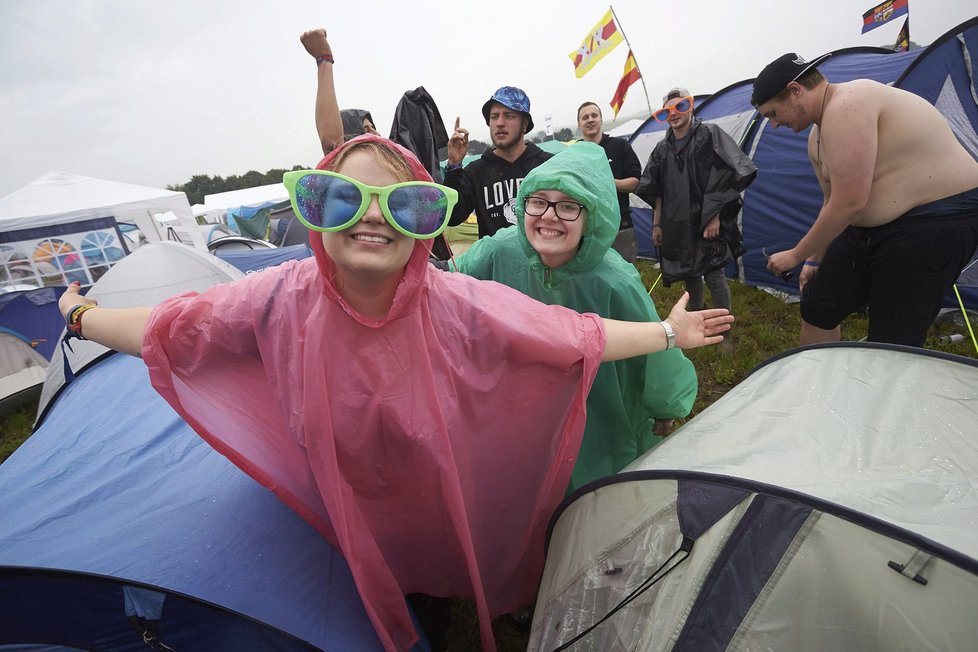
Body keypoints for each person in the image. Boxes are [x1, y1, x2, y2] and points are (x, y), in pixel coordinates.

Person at [58, 136, 732, 652]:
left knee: (434, 577)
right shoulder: (279, 296)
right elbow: (175, 326)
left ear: (420, 219)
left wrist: (665, 337)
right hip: (345, 492)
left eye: (401, 203)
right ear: (316, 212)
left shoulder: (455, 301)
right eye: (343, 199)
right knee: (375, 584)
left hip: (437, 490)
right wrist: (84, 319)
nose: (371, 219)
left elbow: (567, 334)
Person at [452, 142, 697, 490]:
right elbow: (443, 282)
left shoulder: (615, 280)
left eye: (568, 206)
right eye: (538, 202)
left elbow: (654, 347)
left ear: (592, 216)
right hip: (518, 409)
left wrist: (666, 404)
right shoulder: (499, 251)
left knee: (590, 493)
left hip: (597, 410)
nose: (549, 215)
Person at [755, 53, 978, 346]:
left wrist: (795, 254)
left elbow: (850, 201)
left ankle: (884, 384)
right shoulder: (816, 137)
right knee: (818, 305)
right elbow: (831, 202)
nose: (773, 125)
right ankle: (816, 383)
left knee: (894, 334)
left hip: (936, 220)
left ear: (795, 90)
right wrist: (814, 259)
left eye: (773, 114)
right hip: (868, 228)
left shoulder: (850, 101)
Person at [636, 87, 756, 348]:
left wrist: (714, 216)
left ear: (690, 107)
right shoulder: (662, 149)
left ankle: (725, 334)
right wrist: (657, 223)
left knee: (714, 276)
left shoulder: (709, 135)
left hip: (707, 221)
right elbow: (657, 190)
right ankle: (697, 325)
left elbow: (729, 174)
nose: (674, 114)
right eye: (667, 111)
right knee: (690, 276)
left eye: (680, 107)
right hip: (677, 223)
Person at [444, 86, 553, 238]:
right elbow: (452, 218)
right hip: (495, 262)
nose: (500, 123)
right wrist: (454, 166)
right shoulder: (475, 173)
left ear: (525, 124)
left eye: (509, 116)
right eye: (494, 117)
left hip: (543, 261)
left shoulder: (549, 166)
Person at [577, 101, 643, 263]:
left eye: (594, 115)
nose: (590, 120)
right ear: (579, 124)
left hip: (620, 226)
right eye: (585, 117)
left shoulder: (620, 146)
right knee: (591, 278)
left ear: (601, 119)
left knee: (624, 277)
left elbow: (635, 182)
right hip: (586, 229)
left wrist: (606, 182)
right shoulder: (575, 152)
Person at [300, 28, 379, 155]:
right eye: (366, 129)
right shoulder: (349, 169)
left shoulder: (392, 166)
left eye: (373, 128)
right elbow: (333, 145)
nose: (376, 134)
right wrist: (324, 60)